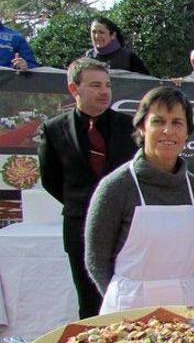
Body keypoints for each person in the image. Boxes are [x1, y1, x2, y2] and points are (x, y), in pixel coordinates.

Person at [85, 86, 194, 314]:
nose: (168, 131)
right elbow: (97, 259)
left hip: (190, 305)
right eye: (158, 122)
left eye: (177, 123)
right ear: (142, 128)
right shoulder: (116, 187)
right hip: (131, 310)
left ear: (187, 132)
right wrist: (126, 294)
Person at [38, 58, 138, 319]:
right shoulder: (54, 129)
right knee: (90, 303)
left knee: (129, 302)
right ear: (74, 89)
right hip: (79, 226)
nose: (104, 91)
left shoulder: (128, 127)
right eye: (95, 85)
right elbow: (51, 180)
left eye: (107, 85)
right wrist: (88, 206)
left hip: (127, 229)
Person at [84, 17, 150, 76]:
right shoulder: (88, 56)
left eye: (101, 32)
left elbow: (149, 83)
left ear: (113, 35)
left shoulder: (128, 57)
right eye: (94, 32)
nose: (97, 36)